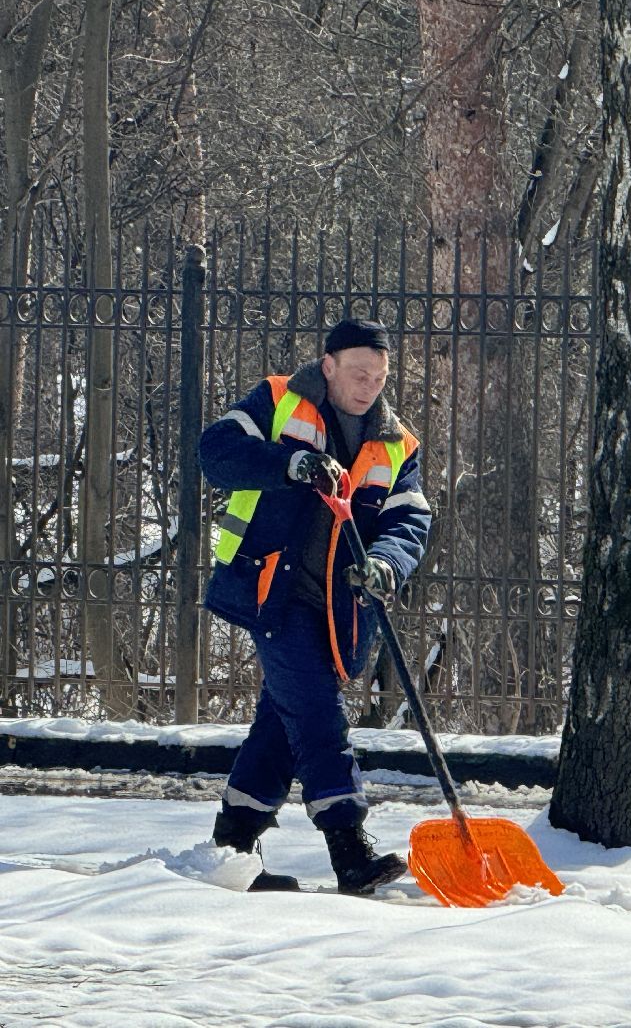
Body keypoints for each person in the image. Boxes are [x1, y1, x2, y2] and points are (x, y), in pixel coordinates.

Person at [198, 318, 431, 895]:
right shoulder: (278, 400)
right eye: (358, 373)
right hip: (271, 591)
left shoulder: (397, 444)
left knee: (282, 726)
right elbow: (216, 453)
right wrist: (289, 464)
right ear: (328, 366)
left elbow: (409, 521)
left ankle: (231, 847)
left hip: (338, 608)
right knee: (319, 717)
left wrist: (386, 564)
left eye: (379, 377)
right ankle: (349, 849)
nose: (369, 386)